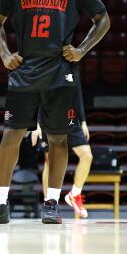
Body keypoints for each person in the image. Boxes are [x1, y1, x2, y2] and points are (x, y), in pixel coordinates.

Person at [0, 0, 110, 225]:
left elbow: (102, 19)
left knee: (59, 140)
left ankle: (51, 203)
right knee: (11, 136)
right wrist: (5, 54)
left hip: (60, 72)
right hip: (24, 71)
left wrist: (82, 49)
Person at [32, 85, 92, 218]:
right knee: (50, 162)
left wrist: (82, 121)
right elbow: (36, 93)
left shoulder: (72, 65)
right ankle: (49, 204)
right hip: (48, 117)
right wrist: (35, 123)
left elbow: (78, 93)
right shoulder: (45, 67)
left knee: (87, 155)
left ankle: (74, 194)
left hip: (70, 117)